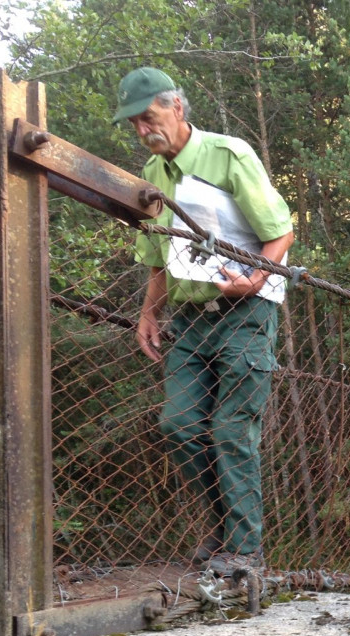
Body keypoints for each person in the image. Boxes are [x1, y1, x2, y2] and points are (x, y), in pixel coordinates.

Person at [113, 67, 295, 575]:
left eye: (148, 117)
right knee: (179, 424)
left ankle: (245, 550)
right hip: (191, 318)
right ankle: (221, 532)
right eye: (133, 123)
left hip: (247, 312)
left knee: (231, 428)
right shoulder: (151, 175)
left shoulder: (228, 154)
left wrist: (254, 280)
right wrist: (148, 314)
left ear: (176, 106)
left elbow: (280, 232)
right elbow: (157, 255)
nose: (143, 129)